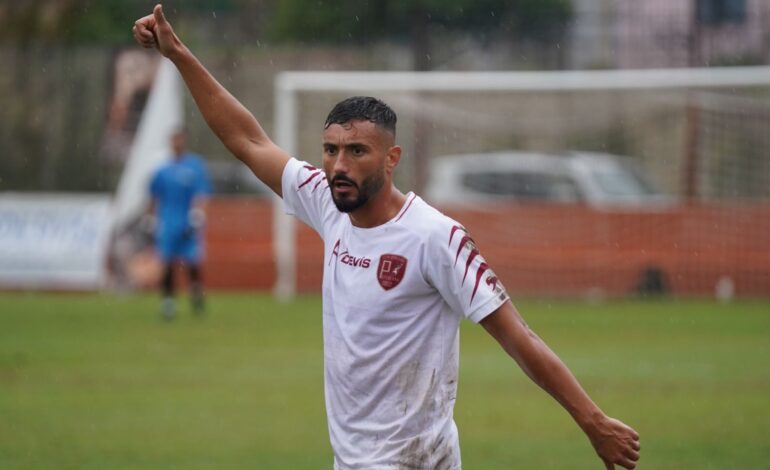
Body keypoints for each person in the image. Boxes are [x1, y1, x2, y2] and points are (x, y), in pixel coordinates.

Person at [133, 5, 641, 468]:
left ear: (391, 159)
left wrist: (593, 422)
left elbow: (519, 337)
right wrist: (178, 55)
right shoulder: (327, 203)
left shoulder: (435, 238)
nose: (338, 165)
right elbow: (246, 138)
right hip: (355, 459)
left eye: (357, 151)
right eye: (331, 149)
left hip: (412, 458)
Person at [147, 128, 211, 320]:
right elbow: (153, 196)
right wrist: (149, 219)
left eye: (180, 139)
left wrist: (197, 216)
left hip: (187, 221)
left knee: (192, 263)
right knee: (167, 263)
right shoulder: (162, 170)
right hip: (167, 222)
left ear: (185, 141)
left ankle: (196, 297)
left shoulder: (195, 166)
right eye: (174, 140)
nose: (177, 143)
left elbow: (202, 195)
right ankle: (168, 303)